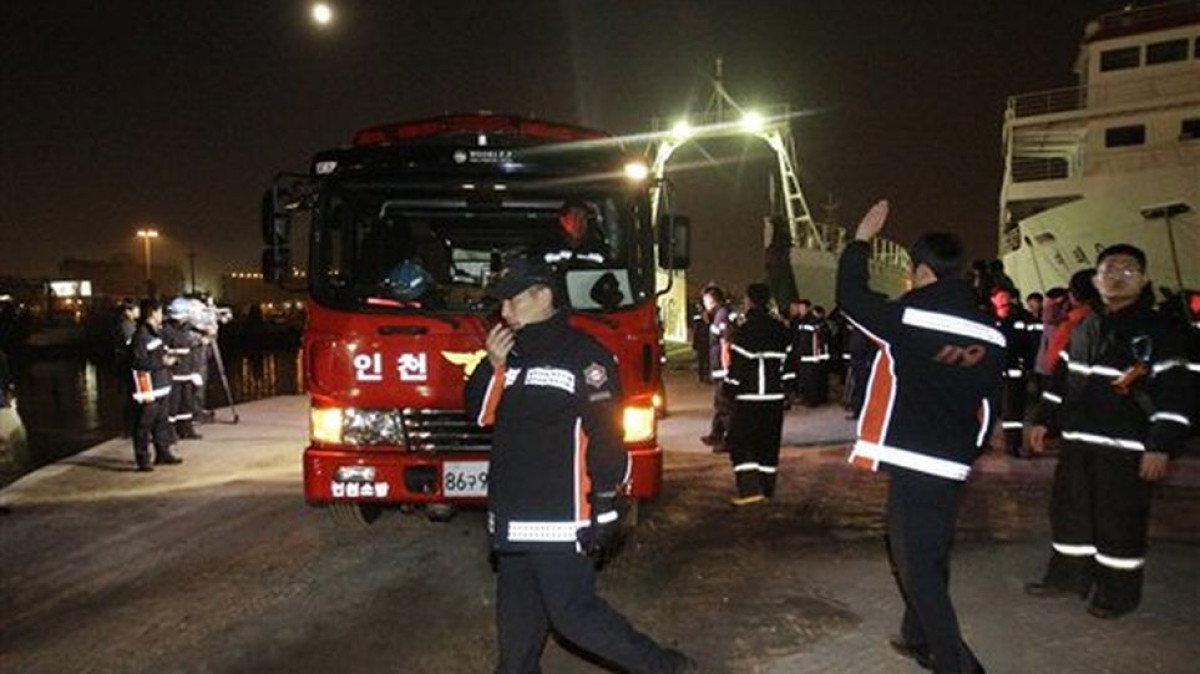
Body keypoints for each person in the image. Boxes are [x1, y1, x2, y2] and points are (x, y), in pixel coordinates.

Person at [464, 255, 694, 674]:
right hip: (512, 521)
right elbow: (479, 415)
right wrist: (490, 365)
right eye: (501, 302)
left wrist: (605, 504)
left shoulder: (585, 356)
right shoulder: (509, 354)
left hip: (560, 521)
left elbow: (606, 435)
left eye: (514, 299)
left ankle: (666, 668)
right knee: (516, 640)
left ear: (544, 296)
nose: (505, 311)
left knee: (575, 617)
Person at [838, 200, 1003, 674]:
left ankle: (957, 663)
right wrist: (968, 452)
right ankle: (918, 637)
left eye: (912, 271)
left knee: (917, 566)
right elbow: (991, 406)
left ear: (924, 271)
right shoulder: (990, 332)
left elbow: (850, 297)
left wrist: (860, 241)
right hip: (953, 465)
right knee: (931, 555)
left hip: (914, 463)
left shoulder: (906, 318)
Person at [1025, 244, 1193, 619]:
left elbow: (1178, 392)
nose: (1117, 276)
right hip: (1078, 442)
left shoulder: (1160, 330)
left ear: (1144, 280)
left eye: (1127, 269)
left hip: (1126, 447)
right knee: (1069, 514)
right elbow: (1062, 378)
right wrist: (1045, 419)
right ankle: (1068, 577)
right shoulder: (1087, 326)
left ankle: (1118, 594)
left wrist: (1161, 445)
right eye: (1108, 269)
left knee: (1120, 523)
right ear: (1097, 280)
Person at [723, 283, 792, 505]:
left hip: (748, 398)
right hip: (774, 398)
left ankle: (750, 490)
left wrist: (728, 389)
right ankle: (767, 489)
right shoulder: (781, 330)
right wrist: (787, 391)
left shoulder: (745, 332)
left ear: (750, 301)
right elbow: (789, 366)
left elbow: (738, 368)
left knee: (741, 442)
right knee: (769, 444)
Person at [130, 299, 182, 471]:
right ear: (152, 313)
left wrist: (169, 359)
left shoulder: (155, 332)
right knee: (144, 424)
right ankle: (143, 458)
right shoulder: (141, 335)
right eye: (160, 312)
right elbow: (138, 362)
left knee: (161, 421)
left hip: (161, 384)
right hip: (148, 387)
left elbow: (159, 353)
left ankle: (163, 452)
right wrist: (162, 362)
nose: (162, 315)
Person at [989, 285, 1031, 457]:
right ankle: (982, 442)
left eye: (1007, 297)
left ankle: (1013, 445)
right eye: (1001, 297)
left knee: (1013, 411)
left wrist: (1027, 365)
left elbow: (1028, 344)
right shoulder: (987, 319)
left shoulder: (1020, 319)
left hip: (1013, 372)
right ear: (993, 300)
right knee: (988, 408)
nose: (1005, 301)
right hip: (991, 372)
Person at [162, 298, 203, 440]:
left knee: (187, 403)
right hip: (173, 373)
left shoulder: (188, 329)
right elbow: (164, 352)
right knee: (173, 404)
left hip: (187, 372)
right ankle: (170, 431)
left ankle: (186, 428)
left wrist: (194, 370)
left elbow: (191, 350)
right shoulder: (166, 331)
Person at [699, 283, 733, 453]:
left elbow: (725, 342)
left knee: (724, 405)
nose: (704, 303)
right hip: (719, 369)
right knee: (720, 403)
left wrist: (727, 368)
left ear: (712, 299)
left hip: (723, 370)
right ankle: (716, 434)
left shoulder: (722, 315)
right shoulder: (717, 315)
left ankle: (729, 440)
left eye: (705, 300)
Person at [112, 298, 140, 437]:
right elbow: (131, 343)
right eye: (136, 309)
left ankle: (129, 426)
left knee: (129, 395)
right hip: (126, 364)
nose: (138, 311)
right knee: (129, 395)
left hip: (124, 363)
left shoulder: (130, 324)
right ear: (128, 311)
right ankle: (129, 427)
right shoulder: (126, 325)